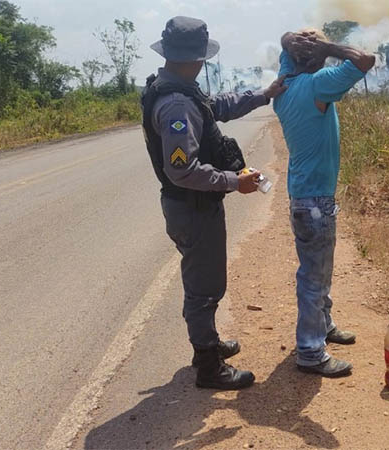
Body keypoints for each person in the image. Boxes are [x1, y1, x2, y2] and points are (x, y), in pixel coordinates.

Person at [141, 16, 286, 390]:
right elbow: (182, 170)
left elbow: (218, 105)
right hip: (192, 207)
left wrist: (263, 95)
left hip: (193, 206)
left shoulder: (181, 90)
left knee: (205, 282)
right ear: (196, 59)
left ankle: (208, 344)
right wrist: (234, 182)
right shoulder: (175, 105)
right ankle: (208, 366)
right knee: (204, 287)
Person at [272, 29, 375, 377]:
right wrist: (329, 47)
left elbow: (286, 48)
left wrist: (291, 41)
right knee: (314, 277)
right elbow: (364, 60)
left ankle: (324, 325)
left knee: (320, 270)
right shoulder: (318, 84)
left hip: (304, 196)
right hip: (315, 200)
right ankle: (310, 351)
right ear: (315, 56)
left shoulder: (284, 86)